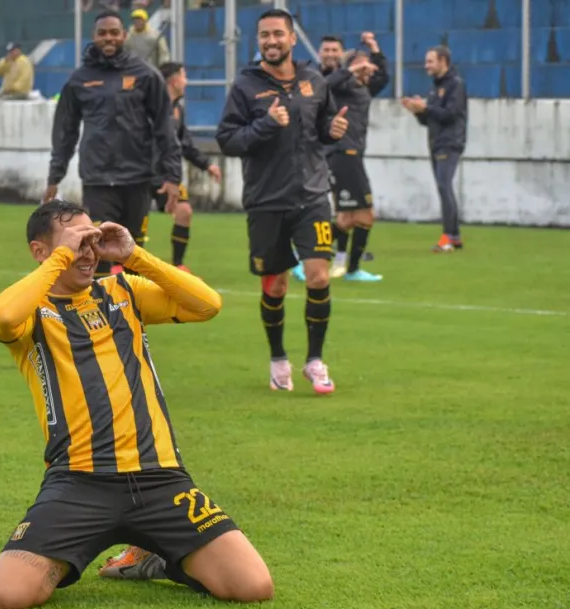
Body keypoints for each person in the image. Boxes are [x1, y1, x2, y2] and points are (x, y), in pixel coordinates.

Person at [0, 200, 274, 609]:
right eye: (75, 243)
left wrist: (134, 256)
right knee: (7, 596)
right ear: (40, 251)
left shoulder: (123, 292)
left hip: (161, 479)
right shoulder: (33, 312)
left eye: (92, 241)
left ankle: (155, 556)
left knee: (252, 585)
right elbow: (1, 316)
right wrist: (62, 255)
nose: (87, 253)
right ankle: (70, 555)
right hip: (79, 482)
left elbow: (207, 304)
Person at [213, 8, 348, 394]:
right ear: (258, 42)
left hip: (312, 196)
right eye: (264, 36)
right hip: (266, 200)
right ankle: (278, 359)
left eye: (277, 34)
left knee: (319, 276)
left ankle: (315, 361)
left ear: (292, 38)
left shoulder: (313, 80)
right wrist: (266, 124)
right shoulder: (245, 86)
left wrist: (333, 130)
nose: (271, 41)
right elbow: (228, 140)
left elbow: (322, 128)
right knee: (275, 286)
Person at [44, 10, 182, 277]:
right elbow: (65, 132)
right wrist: (54, 175)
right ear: (94, 37)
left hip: (138, 179)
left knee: (134, 254)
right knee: (97, 252)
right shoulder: (79, 79)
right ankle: (100, 317)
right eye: (102, 33)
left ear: (124, 35)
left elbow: (165, 128)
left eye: (114, 32)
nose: (108, 38)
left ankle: (134, 316)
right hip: (98, 181)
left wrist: (173, 175)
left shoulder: (146, 75)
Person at [320, 33, 389, 282]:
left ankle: (345, 265)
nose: (368, 70)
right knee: (365, 215)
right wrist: (352, 68)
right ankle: (309, 249)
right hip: (342, 153)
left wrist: (374, 48)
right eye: (363, 66)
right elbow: (326, 85)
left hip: (352, 154)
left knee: (348, 218)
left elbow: (384, 76)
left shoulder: (364, 87)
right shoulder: (340, 86)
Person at [154, 61, 222, 272]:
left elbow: (185, 144)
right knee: (134, 220)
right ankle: (120, 266)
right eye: (184, 76)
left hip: (168, 175)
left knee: (184, 211)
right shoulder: (150, 106)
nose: (186, 81)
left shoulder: (178, 110)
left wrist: (207, 164)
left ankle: (177, 264)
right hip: (142, 173)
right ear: (174, 80)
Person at [401, 46, 468, 252]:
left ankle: (448, 236)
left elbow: (451, 114)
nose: (426, 66)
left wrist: (426, 108)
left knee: (444, 185)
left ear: (443, 62)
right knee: (443, 186)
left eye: (430, 61)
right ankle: (454, 236)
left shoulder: (455, 85)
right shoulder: (434, 87)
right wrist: (416, 111)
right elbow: (429, 121)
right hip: (436, 141)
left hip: (450, 142)